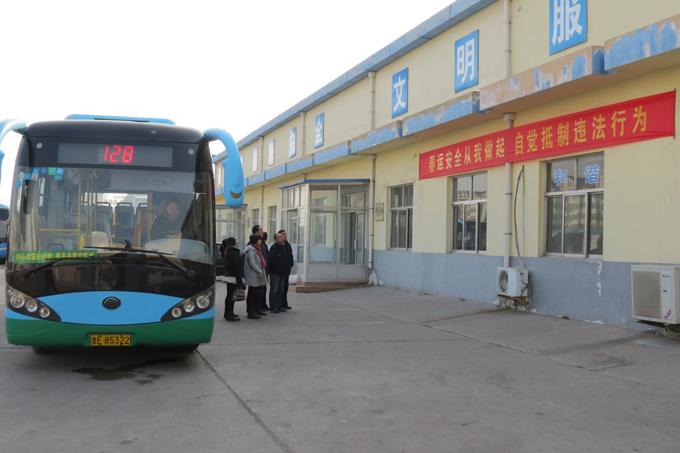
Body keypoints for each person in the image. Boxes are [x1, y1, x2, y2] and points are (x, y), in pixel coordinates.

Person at [268, 231, 294, 313]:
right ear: (276, 239)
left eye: (282, 237)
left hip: (283, 273)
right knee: (274, 290)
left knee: (280, 290)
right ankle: (273, 307)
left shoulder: (284, 247)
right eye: (279, 237)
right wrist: (280, 268)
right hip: (275, 273)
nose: (281, 238)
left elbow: (288, 258)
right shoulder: (273, 248)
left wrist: (288, 267)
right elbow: (273, 261)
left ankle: (279, 306)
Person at [244, 234, 268, 319]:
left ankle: (257, 309)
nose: (260, 241)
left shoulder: (257, 249)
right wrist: (259, 270)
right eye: (259, 240)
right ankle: (251, 312)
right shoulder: (250, 250)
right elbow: (252, 263)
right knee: (253, 294)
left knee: (258, 294)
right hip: (253, 276)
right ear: (255, 241)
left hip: (259, 275)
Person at [222, 237, 244, 322]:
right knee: (231, 296)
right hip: (234, 277)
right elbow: (237, 267)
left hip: (229, 276)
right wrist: (240, 282)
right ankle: (229, 314)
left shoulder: (227, 251)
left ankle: (228, 313)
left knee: (229, 296)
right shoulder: (234, 252)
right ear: (234, 243)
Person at [278, 229, 295, 310]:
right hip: (280, 270)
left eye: (285, 234)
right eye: (283, 234)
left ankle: (284, 304)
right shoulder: (278, 245)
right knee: (280, 288)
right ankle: (279, 304)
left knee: (285, 288)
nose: (285, 236)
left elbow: (290, 255)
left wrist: (291, 265)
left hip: (287, 269)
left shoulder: (287, 245)